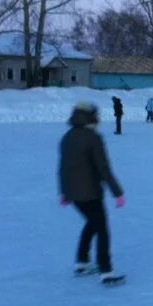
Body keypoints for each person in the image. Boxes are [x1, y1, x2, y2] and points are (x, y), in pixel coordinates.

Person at [59, 102, 125, 284]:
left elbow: (63, 168)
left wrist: (64, 192)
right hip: (91, 193)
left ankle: (82, 261)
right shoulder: (92, 137)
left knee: (92, 223)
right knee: (101, 227)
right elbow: (103, 168)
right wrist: (117, 192)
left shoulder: (67, 137)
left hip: (74, 194)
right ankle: (106, 269)